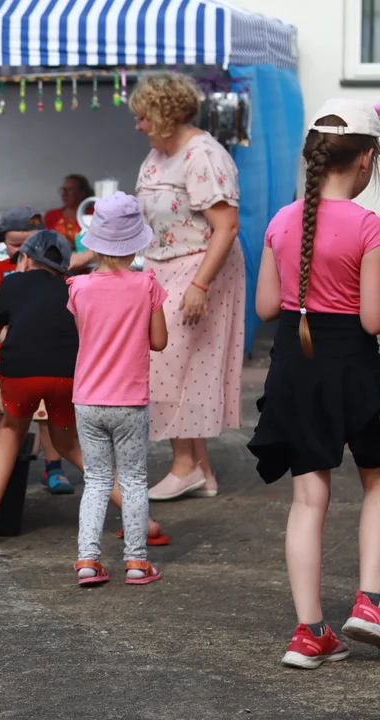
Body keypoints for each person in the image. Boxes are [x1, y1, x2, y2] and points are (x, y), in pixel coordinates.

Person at [247, 99, 380, 669]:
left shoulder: (281, 220)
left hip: (293, 368)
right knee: (377, 482)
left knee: (307, 499)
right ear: (367, 160)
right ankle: (370, 603)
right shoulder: (368, 225)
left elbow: (267, 306)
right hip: (353, 363)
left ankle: (309, 633)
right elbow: (373, 319)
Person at [72, 72, 245, 501]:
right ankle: (201, 470)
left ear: (165, 114)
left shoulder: (204, 156)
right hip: (164, 265)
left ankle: (185, 466)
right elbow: (134, 221)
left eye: (143, 116)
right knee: (186, 368)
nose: (138, 125)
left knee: (165, 361)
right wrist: (93, 254)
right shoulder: (156, 157)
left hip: (201, 266)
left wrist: (200, 286)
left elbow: (226, 226)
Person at [66, 192, 168, 586]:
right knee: (134, 480)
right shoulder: (147, 285)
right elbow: (158, 342)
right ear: (136, 243)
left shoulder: (79, 288)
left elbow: (84, 337)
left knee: (96, 481)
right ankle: (137, 562)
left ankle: (88, 561)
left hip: (87, 398)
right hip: (129, 401)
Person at [0, 206, 71, 492]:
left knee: (9, 429)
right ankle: (137, 515)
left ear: (27, 258)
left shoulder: (13, 283)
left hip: (17, 372)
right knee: (70, 444)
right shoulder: (72, 287)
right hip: (64, 374)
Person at [44, 174, 94, 245]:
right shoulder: (51, 216)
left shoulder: (92, 215)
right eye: (63, 190)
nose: (64, 194)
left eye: (70, 190)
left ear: (82, 193)